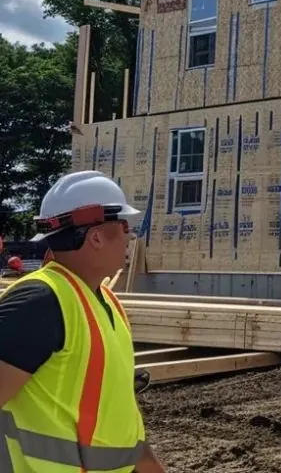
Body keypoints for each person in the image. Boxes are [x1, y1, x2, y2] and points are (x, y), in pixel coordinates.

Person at [0, 170, 166, 472]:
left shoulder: (104, 303)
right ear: (97, 237)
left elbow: (118, 418)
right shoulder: (39, 303)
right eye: (124, 225)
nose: (131, 236)